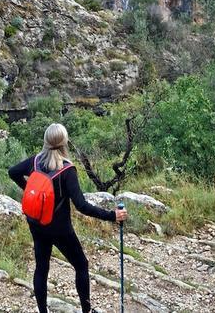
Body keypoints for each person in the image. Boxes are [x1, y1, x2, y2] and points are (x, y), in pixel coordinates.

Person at [9, 123, 128, 313]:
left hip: (36, 223)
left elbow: (12, 172)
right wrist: (112, 215)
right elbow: (82, 206)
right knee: (81, 265)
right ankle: (86, 310)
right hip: (59, 228)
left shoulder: (35, 162)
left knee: (41, 268)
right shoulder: (67, 170)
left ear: (46, 141)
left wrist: (32, 193)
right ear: (64, 142)